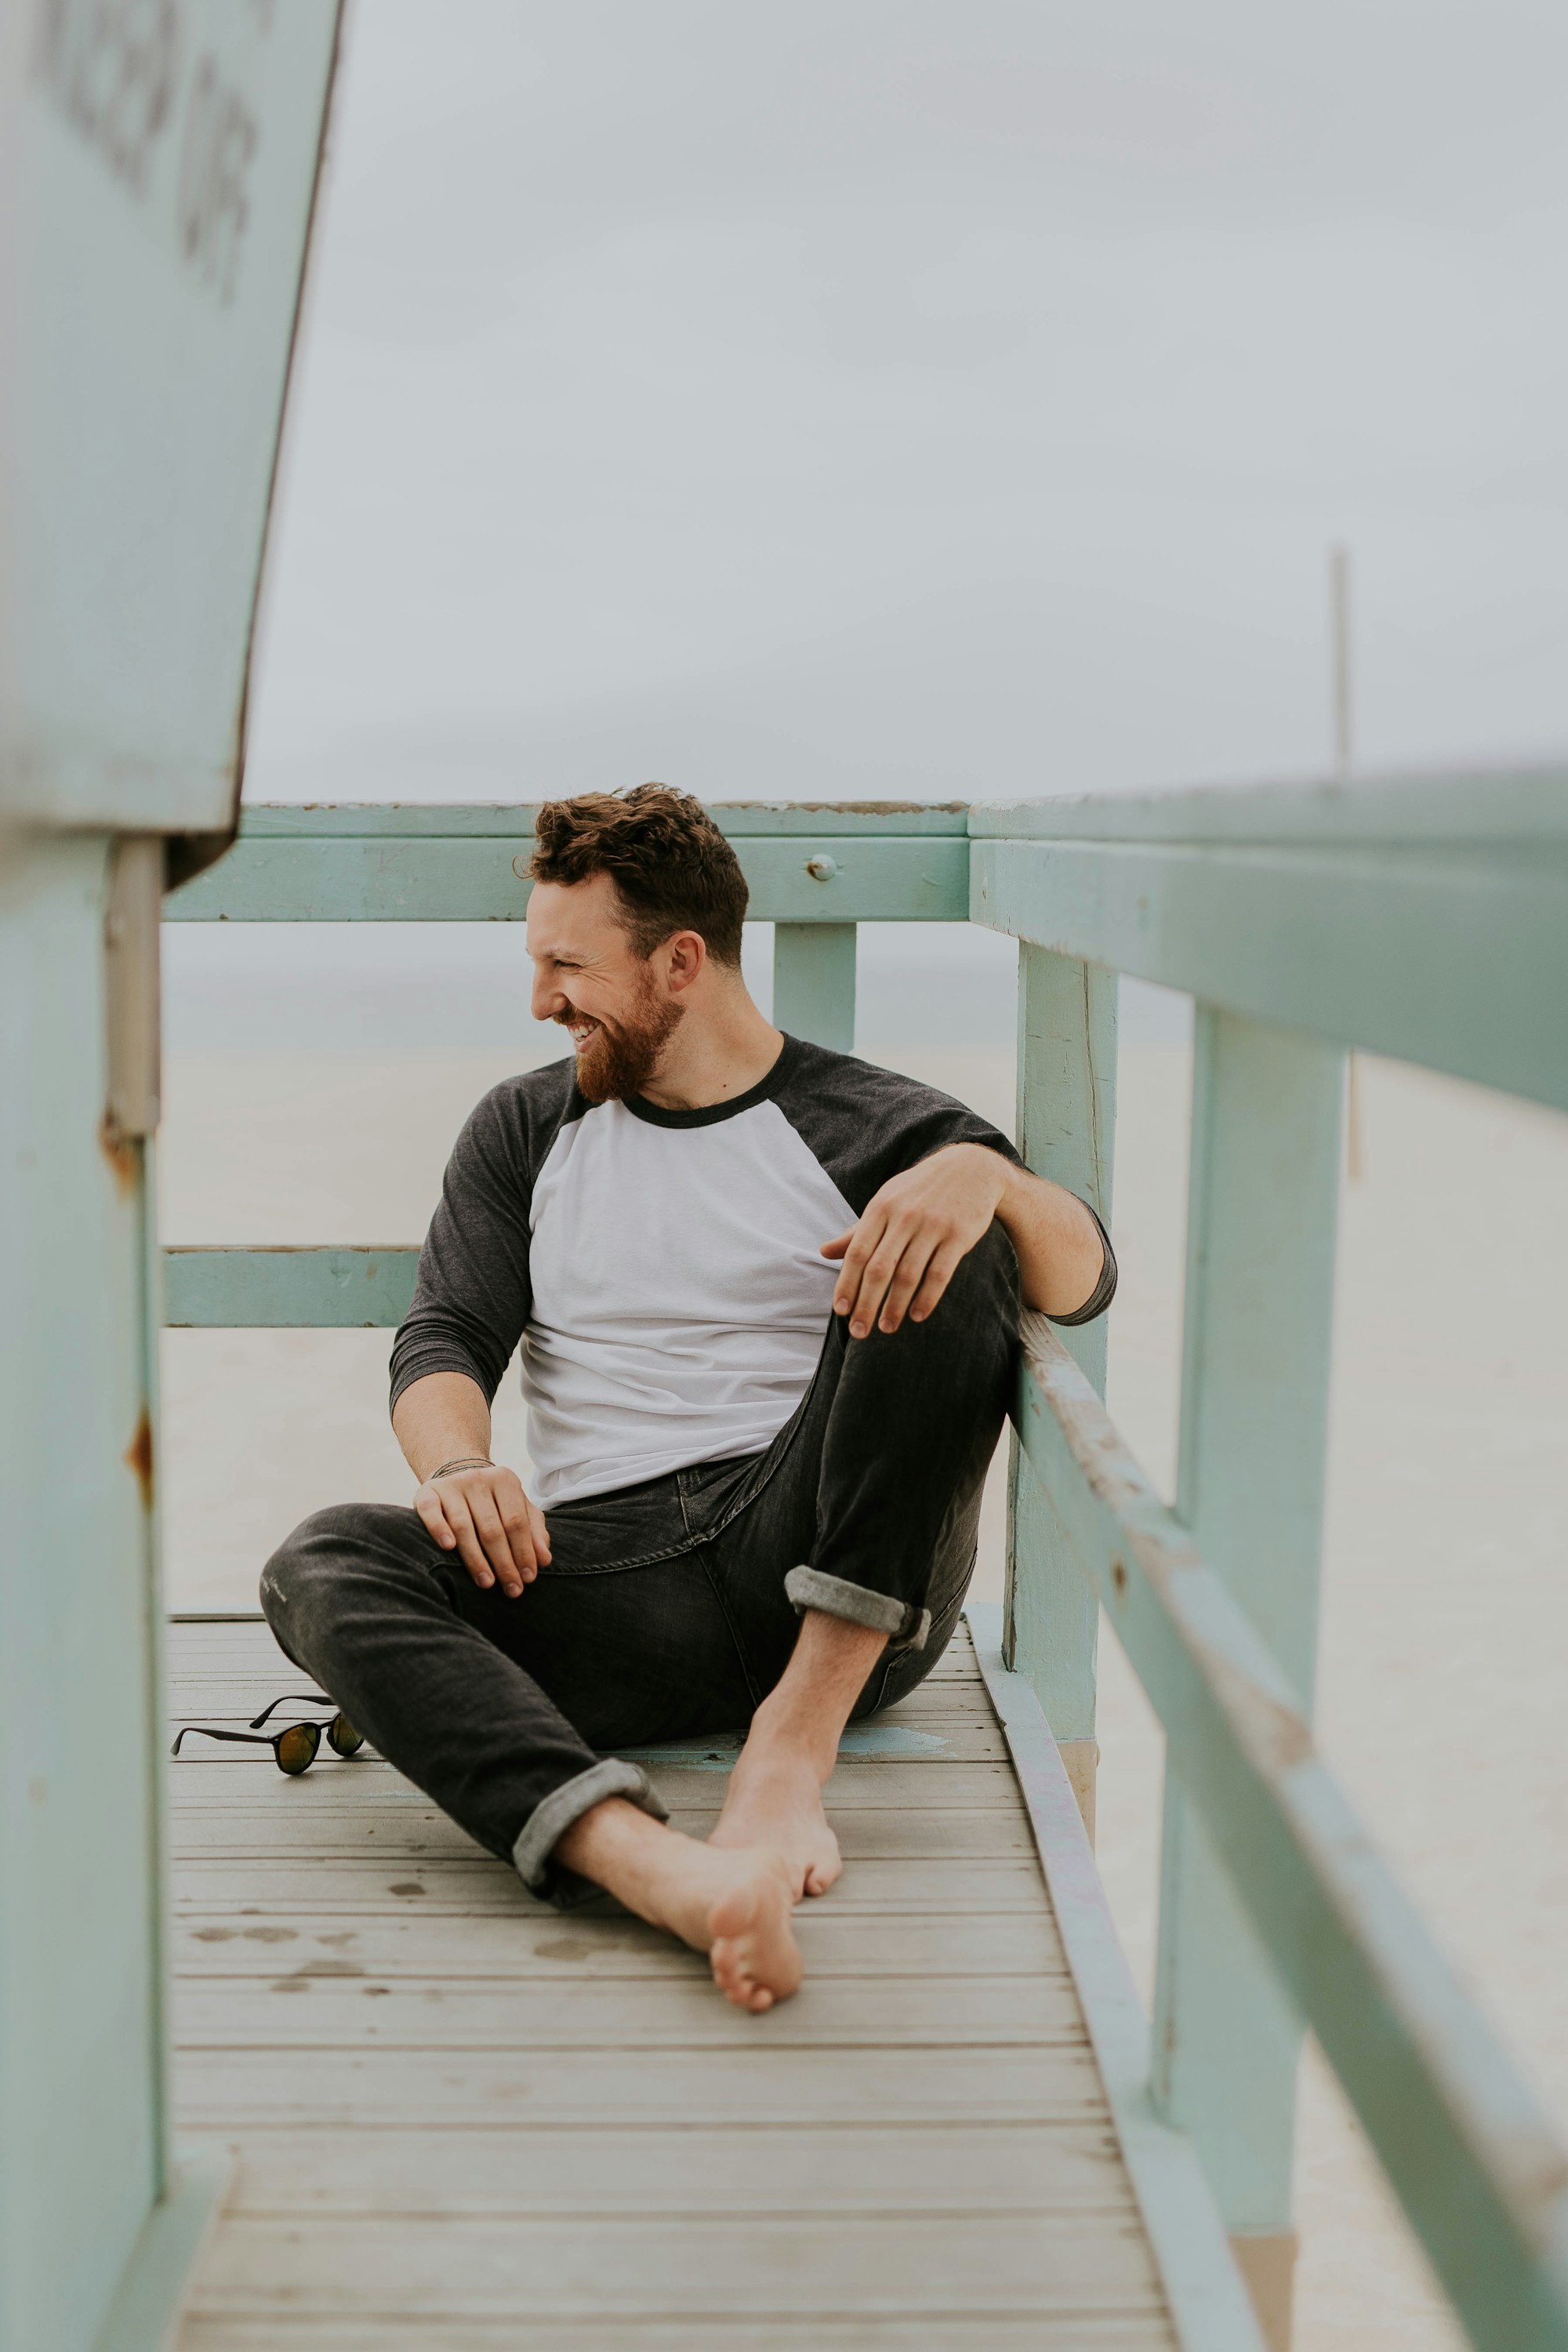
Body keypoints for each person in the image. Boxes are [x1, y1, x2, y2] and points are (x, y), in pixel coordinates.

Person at [260, 786, 1114, 2011]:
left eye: (568, 964)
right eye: (535, 962)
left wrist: (983, 1174)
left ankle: (789, 1751)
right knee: (323, 1560)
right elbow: (444, 1335)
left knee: (961, 1233)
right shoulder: (522, 1129)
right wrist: (458, 1470)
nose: (542, 999)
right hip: (612, 1579)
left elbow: (1081, 1283)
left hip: (830, 1552)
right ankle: (657, 1869)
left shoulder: (876, 1123)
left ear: (680, 962)